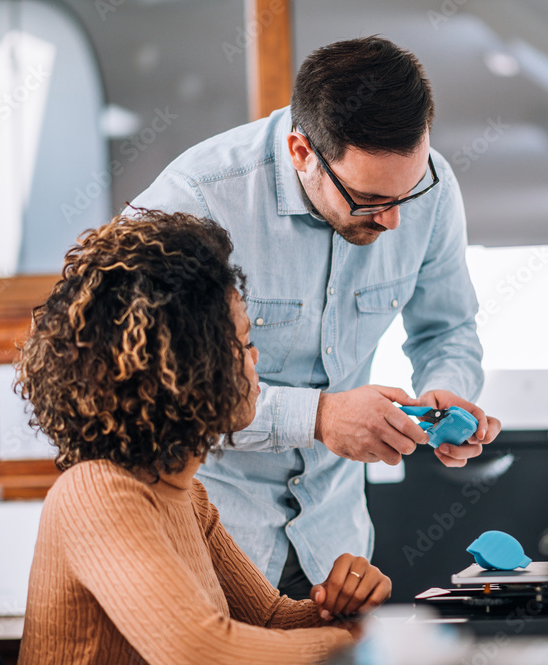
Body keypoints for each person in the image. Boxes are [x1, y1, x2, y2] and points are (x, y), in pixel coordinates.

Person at [127, 36, 502, 599]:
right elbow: (154, 393)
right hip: (207, 544)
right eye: (369, 200)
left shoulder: (431, 187)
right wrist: (320, 416)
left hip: (337, 550)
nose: (395, 222)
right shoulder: (194, 204)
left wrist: (445, 394)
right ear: (303, 152)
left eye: (410, 190)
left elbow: (447, 329)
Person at [16, 211, 390, 665]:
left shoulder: (186, 495)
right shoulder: (96, 493)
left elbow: (268, 620)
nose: (254, 359)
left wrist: (341, 611)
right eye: (240, 344)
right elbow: (202, 653)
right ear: (182, 368)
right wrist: (352, 643)